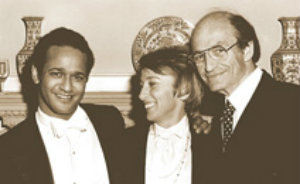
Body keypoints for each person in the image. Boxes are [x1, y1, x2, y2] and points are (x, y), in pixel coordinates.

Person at [0, 27, 125, 184]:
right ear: (35, 74)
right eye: (57, 74)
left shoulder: (110, 121)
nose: (67, 87)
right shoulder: (8, 148)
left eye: (77, 77)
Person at [190, 10, 300, 184]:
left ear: (247, 50)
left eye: (219, 51)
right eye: (199, 56)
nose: (208, 66)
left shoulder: (292, 104)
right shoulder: (209, 116)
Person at [122, 47, 210, 184]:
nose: (141, 95)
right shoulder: (125, 143)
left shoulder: (211, 142)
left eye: (152, 84)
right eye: (141, 85)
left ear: (184, 89)